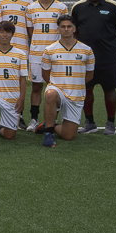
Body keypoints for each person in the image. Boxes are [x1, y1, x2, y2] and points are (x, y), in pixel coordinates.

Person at [71, 0, 116, 136]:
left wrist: (115, 44)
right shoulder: (78, 7)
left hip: (107, 57)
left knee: (109, 90)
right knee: (86, 89)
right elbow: (73, 28)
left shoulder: (114, 6)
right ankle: (90, 123)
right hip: (85, 59)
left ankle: (111, 123)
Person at [38, 14, 95, 146]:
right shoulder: (49, 50)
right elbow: (45, 74)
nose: (66, 29)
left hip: (76, 95)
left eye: (69, 26)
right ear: (58, 29)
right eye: (63, 27)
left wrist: (74, 84)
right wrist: (56, 86)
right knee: (50, 94)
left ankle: (48, 124)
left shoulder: (87, 50)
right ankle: (49, 133)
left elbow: (89, 76)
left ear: (74, 29)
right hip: (57, 90)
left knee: (68, 136)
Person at [24, 0, 68, 132]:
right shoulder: (31, 8)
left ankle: (54, 119)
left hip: (56, 55)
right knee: (36, 87)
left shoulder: (61, 7)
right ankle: (34, 119)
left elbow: (64, 29)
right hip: (37, 54)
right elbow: (31, 32)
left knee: (57, 87)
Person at [0, 0, 33, 129]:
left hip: (21, 46)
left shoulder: (28, 1)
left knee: (18, 81)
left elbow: (30, 25)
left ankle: (19, 115)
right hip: (3, 46)